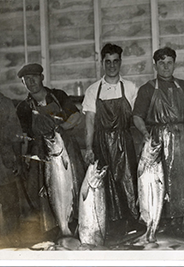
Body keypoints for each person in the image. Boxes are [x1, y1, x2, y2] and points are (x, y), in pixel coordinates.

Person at [16, 63, 86, 237]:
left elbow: (76, 117)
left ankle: (76, 226)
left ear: (42, 77)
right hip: (40, 155)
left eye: (34, 77)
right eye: (26, 80)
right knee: (43, 193)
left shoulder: (58, 96)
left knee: (73, 186)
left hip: (64, 149)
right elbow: (22, 136)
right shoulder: (23, 107)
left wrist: (61, 128)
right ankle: (51, 232)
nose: (31, 82)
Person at [133, 46, 184, 237]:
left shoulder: (183, 86)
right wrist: (145, 133)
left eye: (169, 63)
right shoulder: (147, 89)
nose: (166, 67)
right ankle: (158, 223)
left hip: (179, 138)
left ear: (174, 64)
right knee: (158, 182)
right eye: (161, 63)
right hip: (157, 139)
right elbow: (136, 116)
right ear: (155, 65)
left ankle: (177, 226)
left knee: (180, 182)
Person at [82, 43, 141, 239]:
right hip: (102, 143)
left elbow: (137, 117)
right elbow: (90, 120)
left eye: (115, 61)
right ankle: (111, 230)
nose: (112, 66)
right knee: (105, 187)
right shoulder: (93, 90)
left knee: (129, 184)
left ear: (120, 62)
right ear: (102, 63)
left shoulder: (131, 88)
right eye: (108, 62)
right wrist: (89, 147)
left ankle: (132, 228)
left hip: (124, 141)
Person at [0, 92, 24, 247]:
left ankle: (12, 241)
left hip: (4, 163)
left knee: (10, 203)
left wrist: (18, 160)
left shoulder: (5, 103)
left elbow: (16, 135)